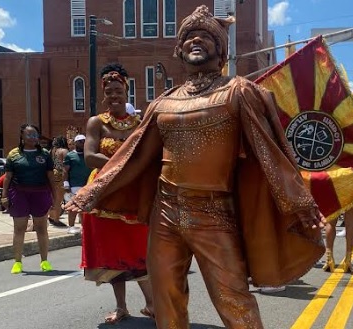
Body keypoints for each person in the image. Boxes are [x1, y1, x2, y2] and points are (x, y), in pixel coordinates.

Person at [66, 6, 325, 329]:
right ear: (180, 49)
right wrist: (91, 193)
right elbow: (133, 158)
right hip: (165, 212)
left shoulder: (238, 92)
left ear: (221, 50)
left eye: (205, 36)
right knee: (166, 298)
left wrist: (299, 201)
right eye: (189, 37)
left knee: (233, 298)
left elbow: (268, 152)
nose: (196, 40)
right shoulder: (164, 102)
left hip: (215, 212)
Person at [70, 63, 154, 324]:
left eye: (119, 91)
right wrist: (125, 165)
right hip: (104, 194)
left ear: (126, 92)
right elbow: (90, 156)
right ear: (104, 95)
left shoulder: (140, 125)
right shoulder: (96, 123)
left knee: (139, 249)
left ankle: (152, 304)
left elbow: (148, 157)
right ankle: (121, 307)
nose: (114, 96)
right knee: (113, 254)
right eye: (109, 92)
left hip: (133, 194)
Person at [1, 124, 56, 274]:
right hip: (19, 194)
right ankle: (17, 262)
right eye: (29, 134)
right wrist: (4, 196)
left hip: (40, 193)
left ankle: (44, 261)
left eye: (35, 135)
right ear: (22, 137)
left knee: (41, 228)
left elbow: (51, 177)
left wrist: (55, 197)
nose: (33, 137)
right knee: (19, 228)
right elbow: (8, 177)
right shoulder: (13, 154)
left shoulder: (45, 154)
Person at [62, 134, 92, 234]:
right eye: (80, 141)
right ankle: (71, 226)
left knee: (84, 208)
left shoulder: (89, 154)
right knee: (73, 208)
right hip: (74, 185)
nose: (82, 143)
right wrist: (66, 184)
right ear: (75, 143)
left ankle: (85, 228)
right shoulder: (70, 155)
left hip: (87, 185)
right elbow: (65, 171)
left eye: (84, 141)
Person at [48, 135, 68, 227]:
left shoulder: (52, 151)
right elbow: (65, 166)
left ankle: (51, 216)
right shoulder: (64, 151)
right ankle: (56, 219)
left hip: (53, 174)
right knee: (58, 199)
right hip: (60, 175)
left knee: (53, 197)